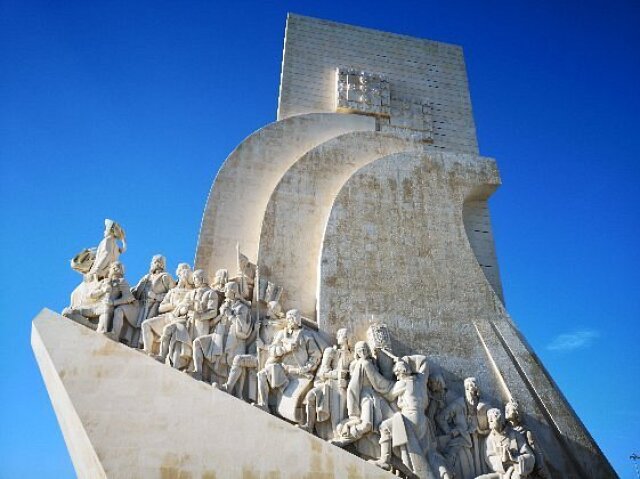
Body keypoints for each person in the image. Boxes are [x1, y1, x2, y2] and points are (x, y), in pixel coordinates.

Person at [330, 341, 395, 460]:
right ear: (357, 353)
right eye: (360, 350)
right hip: (366, 397)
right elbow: (378, 382)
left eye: (365, 349)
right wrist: (393, 386)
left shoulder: (371, 363)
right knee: (367, 424)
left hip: (375, 397)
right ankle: (345, 438)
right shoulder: (363, 364)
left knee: (385, 425)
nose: (363, 352)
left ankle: (386, 456)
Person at [255, 309, 322, 412]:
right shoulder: (282, 334)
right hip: (283, 369)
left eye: (292, 319)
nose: (290, 321)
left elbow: (316, 355)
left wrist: (307, 368)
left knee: (289, 408)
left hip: (299, 371)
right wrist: (285, 349)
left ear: (297, 320)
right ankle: (264, 404)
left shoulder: (306, 335)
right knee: (261, 374)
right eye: (289, 319)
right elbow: (272, 350)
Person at [192, 281, 252, 384]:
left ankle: (229, 387)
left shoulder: (242, 308)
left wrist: (230, 315)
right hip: (218, 335)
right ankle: (198, 371)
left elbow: (243, 328)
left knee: (231, 363)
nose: (224, 292)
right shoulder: (224, 304)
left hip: (232, 339)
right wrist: (220, 314)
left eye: (227, 289)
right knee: (197, 342)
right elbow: (213, 323)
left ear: (233, 291)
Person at [159, 269, 219, 370]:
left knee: (196, 346)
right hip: (188, 322)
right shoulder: (191, 293)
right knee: (178, 338)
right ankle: (165, 358)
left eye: (196, 278)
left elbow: (213, 312)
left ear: (202, 279)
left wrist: (200, 316)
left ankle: (194, 369)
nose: (194, 280)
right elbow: (183, 305)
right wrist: (184, 308)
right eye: (194, 278)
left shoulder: (211, 293)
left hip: (201, 323)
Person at [299, 328, 352, 439]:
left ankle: (337, 435)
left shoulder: (353, 355)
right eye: (340, 335)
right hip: (326, 385)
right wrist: (337, 374)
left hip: (342, 388)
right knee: (310, 396)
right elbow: (323, 372)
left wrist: (344, 377)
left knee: (338, 416)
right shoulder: (332, 351)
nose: (340, 337)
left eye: (343, 335)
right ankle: (309, 426)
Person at [112, 254, 174, 346]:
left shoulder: (165, 277)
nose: (156, 264)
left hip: (153, 307)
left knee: (144, 327)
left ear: (162, 264)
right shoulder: (146, 277)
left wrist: (156, 296)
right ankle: (114, 335)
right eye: (155, 261)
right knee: (119, 310)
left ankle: (142, 346)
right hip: (139, 305)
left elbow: (172, 294)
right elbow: (136, 290)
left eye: (159, 262)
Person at [440, 377, 490, 479]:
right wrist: (450, 432)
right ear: (466, 388)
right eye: (473, 386)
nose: (475, 388)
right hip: (462, 442)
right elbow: (441, 417)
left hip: (480, 444)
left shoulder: (482, 405)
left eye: (476, 386)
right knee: (465, 469)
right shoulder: (458, 404)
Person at [141, 263, 194, 356]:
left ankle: (163, 356)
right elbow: (161, 308)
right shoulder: (172, 291)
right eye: (181, 274)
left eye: (184, 275)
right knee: (146, 324)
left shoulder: (191, 292)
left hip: (180, 320)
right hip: (168, 317)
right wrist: (174, 304)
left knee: (168, 331)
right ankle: (147, 350)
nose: (181, 277)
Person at [476, 408, 534, 479]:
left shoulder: (515, 434)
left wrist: (515, 458)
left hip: (516, 470)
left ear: (500, 419)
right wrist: (502, 459)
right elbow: (490, 458)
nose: (490, 420)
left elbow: (530, 456)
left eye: (493, 417)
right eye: (489, 418)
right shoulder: (489, 440)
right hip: (500, 474)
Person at [504, 400, 549, 479]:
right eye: (506, 409)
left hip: (523, 465)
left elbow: (534, 448)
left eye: (511, 409)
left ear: (517, 413)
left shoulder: (525, 430)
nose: (507, 411)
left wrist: (540, 466)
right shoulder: (504, 429)